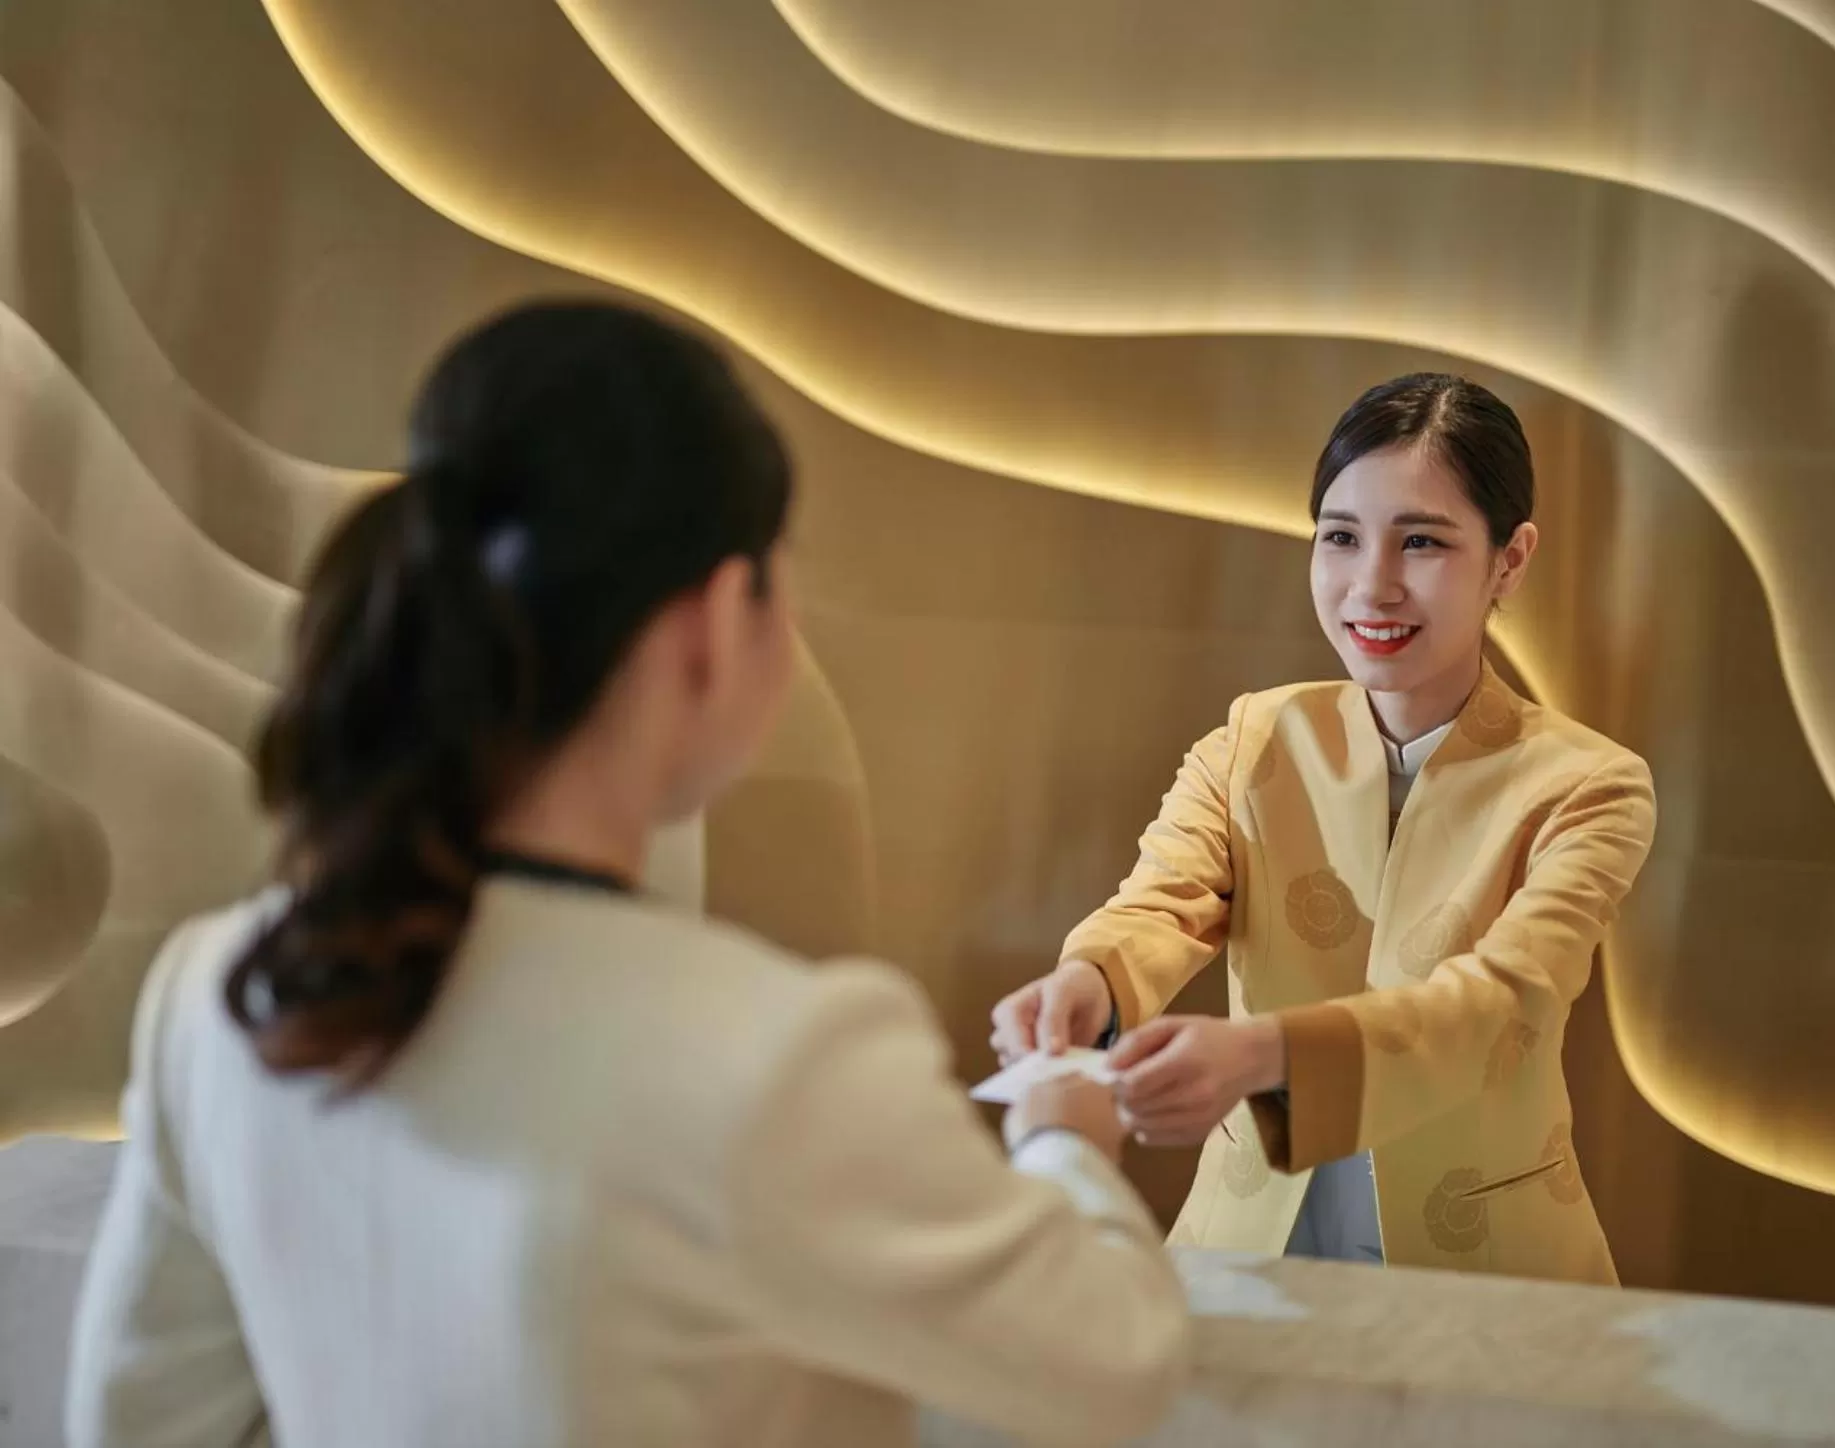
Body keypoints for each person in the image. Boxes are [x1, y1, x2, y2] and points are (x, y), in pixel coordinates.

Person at [66, 302, 1189, 1448]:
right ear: (711, 621)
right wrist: (1064, 1136)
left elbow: (136, 1421)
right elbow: (1116, 1364)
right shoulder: (778, 1056)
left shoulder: (215, 991)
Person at [992, 374, 1656, 1283]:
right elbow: (1160, 903)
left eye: (1421, 541)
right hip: (1244, 1240)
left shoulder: (1590, 786)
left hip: (1491, 1264)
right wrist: (1088, 984)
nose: (1371, 586)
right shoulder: (1252, 740)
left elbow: (1502, 1005)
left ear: (1510, 559)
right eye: (1340, 538)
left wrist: (1261, 1054)